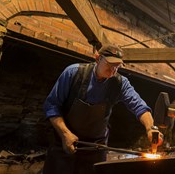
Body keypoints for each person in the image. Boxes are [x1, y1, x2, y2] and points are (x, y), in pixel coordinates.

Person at [42, 43, 163, 174]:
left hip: (96, 147)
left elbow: (139, 106)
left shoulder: (120, 83)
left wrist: (150, 128)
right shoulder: (74, 73)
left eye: (117, 66)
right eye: (110, 65)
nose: (113, 70)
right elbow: (52, 105)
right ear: (98, 58)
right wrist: (65, 134)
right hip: (64, 141)